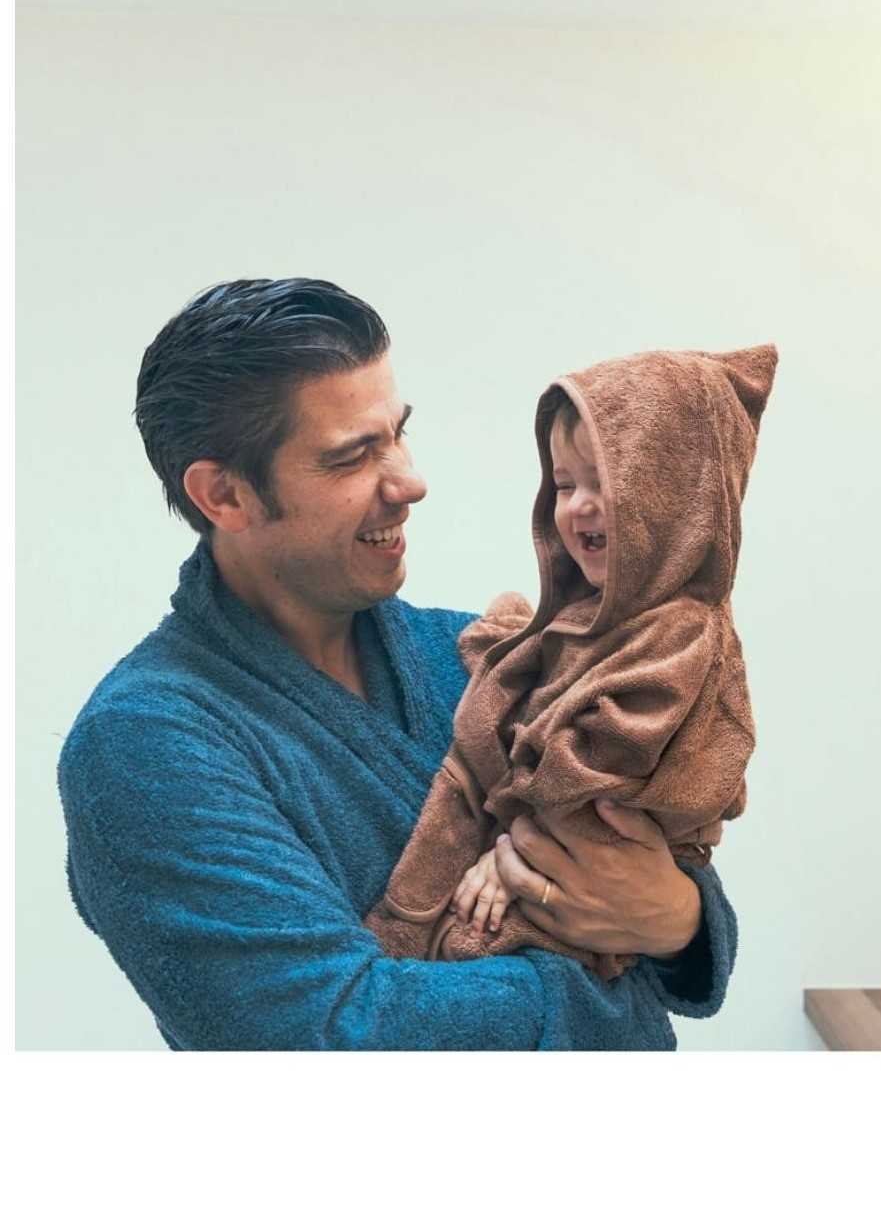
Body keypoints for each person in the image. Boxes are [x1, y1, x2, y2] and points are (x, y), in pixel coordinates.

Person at [57, 277, 739, 1050]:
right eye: (352, 456)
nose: (410, 482)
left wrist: (678, 919)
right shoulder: (143, 746)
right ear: (225, 496)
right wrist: (606, 990)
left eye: (398, 434)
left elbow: (660, 851)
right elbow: (332, 1033)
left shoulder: (482, 653)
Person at [364, 344, 777, 980]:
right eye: (564, 485)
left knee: (468, 941)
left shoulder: (681, 634)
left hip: (583, 863)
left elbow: (598, 774)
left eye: (607, 483)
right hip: (574, 870)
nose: (579, 504)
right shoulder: (586, 621)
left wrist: (508, 854)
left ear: (680, 501)